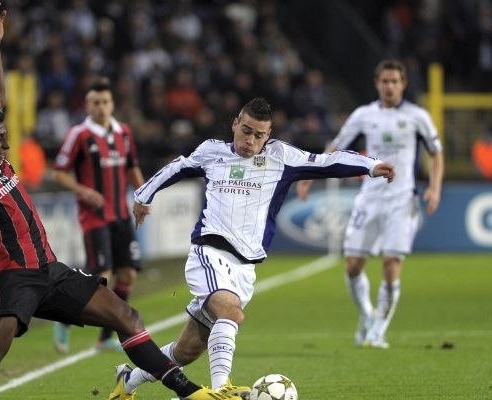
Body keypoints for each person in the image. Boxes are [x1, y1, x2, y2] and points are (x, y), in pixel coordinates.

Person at [0, 3, 240, 400]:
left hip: (49, 269)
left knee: (127, 315)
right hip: (14, 277)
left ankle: (189, 393)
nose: (7, 144)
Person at [109, 97, 396, 400]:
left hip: (245, 268)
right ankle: (222, 388)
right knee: (230, 312)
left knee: (187, 350)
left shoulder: (281, 156)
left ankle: (128, 381)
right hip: (209, 251)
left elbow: (327, 162)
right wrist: (143, 196)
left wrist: (371, 165)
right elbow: (178, 167)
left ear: (268, 135)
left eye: (260, 135)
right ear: (235, 124)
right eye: (246, 131)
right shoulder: (212, 152)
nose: (251, 140)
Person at [297, 59, 444, 349]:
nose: (389, 86)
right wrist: (309, 175)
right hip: (369, 197)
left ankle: (378, 332)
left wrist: (435, 187)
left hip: (402, 199)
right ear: (377, 83)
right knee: (352, 265)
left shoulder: (417, 116)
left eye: (394, 81)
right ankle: (367, 314)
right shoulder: (364, 115)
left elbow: (436, 153)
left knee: (391, 265)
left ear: (403, 84)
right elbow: (336, 146)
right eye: (385, 81)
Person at [51, 76, 145, 353]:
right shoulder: (79, 135)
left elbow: (132, 168)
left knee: (127, 275)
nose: (101, 107)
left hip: (121, 215)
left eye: (105, 102)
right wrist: (83, 190)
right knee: (101, 276)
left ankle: (105, 337)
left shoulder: (123, 132)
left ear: (112, 104)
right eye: (95, 102)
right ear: (87, 105)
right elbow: (59, 172)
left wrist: (144, 196)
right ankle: (64, 316)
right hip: (95, 217)